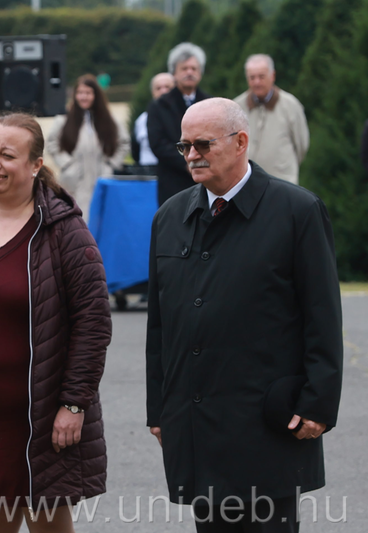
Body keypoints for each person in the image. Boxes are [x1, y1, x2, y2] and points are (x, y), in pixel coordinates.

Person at [146, 98, 343, 532]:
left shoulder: (297, 211)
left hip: (267, 420)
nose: (191, 155)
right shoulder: (170, 217)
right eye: (184, 146)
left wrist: (318, 404)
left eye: (203, 144)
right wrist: (159, 409)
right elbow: (159, 326)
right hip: (197, 421)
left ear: (240, 143)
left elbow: (323, 316)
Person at [0, 113, 111, 532]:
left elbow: (93, 323)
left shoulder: (65, 231)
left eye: (8, 155)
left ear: (35, 165)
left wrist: (73, 403)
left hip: (40, 420)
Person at [46, 74, 130, 220]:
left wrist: (111, 164)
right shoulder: (63, 120)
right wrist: (67, 164)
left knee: (102, 219)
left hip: (101, 179)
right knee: (76, 221)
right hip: (74, 182)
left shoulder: (109, 121)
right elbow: (52, 143)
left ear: (95, 95)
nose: (83, 97)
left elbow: (124, 143)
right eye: (80, 92)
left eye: (88, 93)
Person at [147, 42, 212, 205]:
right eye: (184, 68)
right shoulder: (159, 105)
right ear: (174, 73)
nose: (189, 72)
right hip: (173, 181)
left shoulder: (211, 103)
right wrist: (187, 162)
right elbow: (157, 143)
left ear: (200, 72)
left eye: (194, 68)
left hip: (207, 181)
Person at [234, 54, 309, 185]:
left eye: (261, 77)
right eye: (252, 77)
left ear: (272, 76)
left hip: (283, 183)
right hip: (246, 184)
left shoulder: (291, 105)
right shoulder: (236, 107)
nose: (257, 82)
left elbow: (302, 145)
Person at [131, 72, 175, 171]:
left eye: (167, 87)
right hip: (148, 172)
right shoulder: (142, 120)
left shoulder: (184, 115)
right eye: (158, 88)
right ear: (152, 92)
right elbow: (135, 149)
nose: (163, 91)